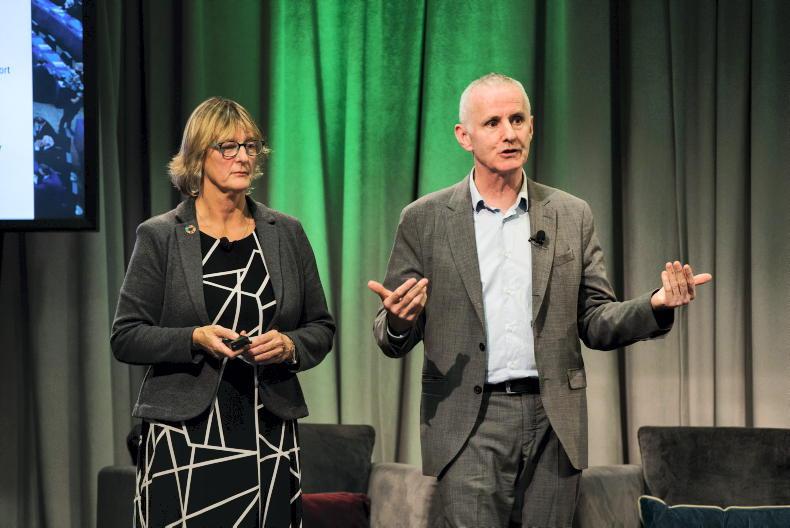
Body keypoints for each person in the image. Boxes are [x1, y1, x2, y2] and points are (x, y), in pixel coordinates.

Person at [368, 73, 711, 527]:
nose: (508, 133)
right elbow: (389, 333)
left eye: (517, 120)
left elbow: (595, 320)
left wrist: (656, 305)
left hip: (553, 420)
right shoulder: (424, 219)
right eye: (492, 123)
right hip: (469, 421)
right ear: (464, 136)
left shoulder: (571, 214)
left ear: (532, 126)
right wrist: (398, 320)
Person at [112, 96, 334, 527]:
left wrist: (289, 345)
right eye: (228, 147)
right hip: (185, 438)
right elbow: (126, 336)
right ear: (199, 155)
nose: (243, 157)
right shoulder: (161, 236)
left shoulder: (285, 232)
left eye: (250, 146)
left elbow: (320, 327)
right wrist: (194, 338)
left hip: (267, 430)